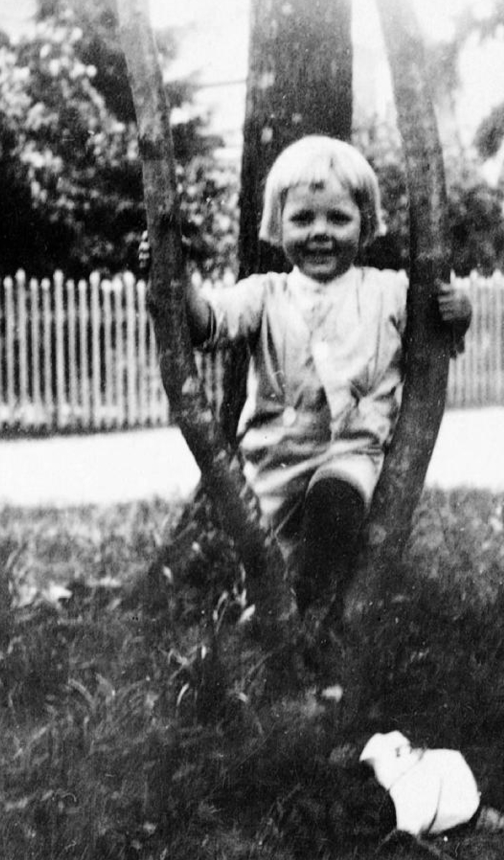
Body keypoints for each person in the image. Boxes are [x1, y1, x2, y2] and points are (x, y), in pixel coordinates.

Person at [153, 136, 472, 611]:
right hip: (277, 461)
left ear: (365, 224)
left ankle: (321, 613)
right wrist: (174, 276)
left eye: (338, 219)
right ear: (277, 224)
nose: (320, 232)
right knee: (275, 568)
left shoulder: (390, 292)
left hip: (353, 453)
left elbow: (435, 336)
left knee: (336, 504)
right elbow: (208, 324)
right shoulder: (265, 294)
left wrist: (459, 312)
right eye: (303, 219)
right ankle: (288, 620)